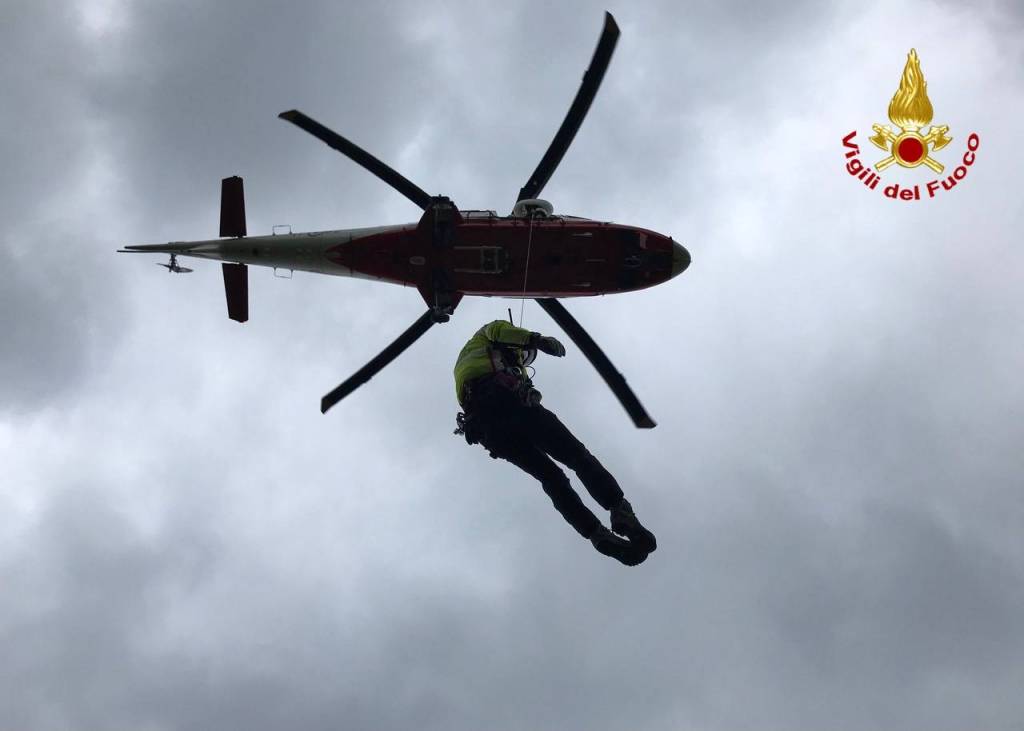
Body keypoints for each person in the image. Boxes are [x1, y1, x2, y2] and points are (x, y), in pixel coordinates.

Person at [453, 320, 656, 566]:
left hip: (487, 429)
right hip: (510, 403)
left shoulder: (468, 366)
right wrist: (535, 339)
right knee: (577, 456)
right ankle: (619, 509)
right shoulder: (489, 336)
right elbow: (499, 331)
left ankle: (595, 533)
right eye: (524, 356)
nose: (523, 360)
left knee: (551, 478)